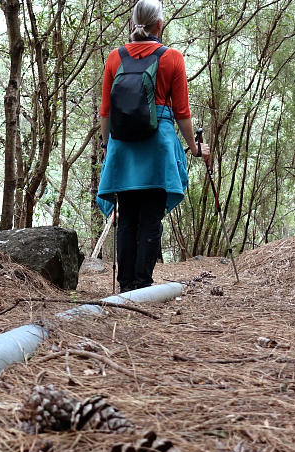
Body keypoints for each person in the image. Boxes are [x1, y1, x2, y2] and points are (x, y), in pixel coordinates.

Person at [96, 0, 210, 293]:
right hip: (157, 147)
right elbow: (182, 112)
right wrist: (195, 149)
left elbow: (105, 112)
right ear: (159, 24)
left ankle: (125, 286)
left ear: (134, 22)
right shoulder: (172, 57)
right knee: (150, 217)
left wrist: (110, 149)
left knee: (127, 218)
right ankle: (143, 286)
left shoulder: (114, 58)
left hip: (123, 148)